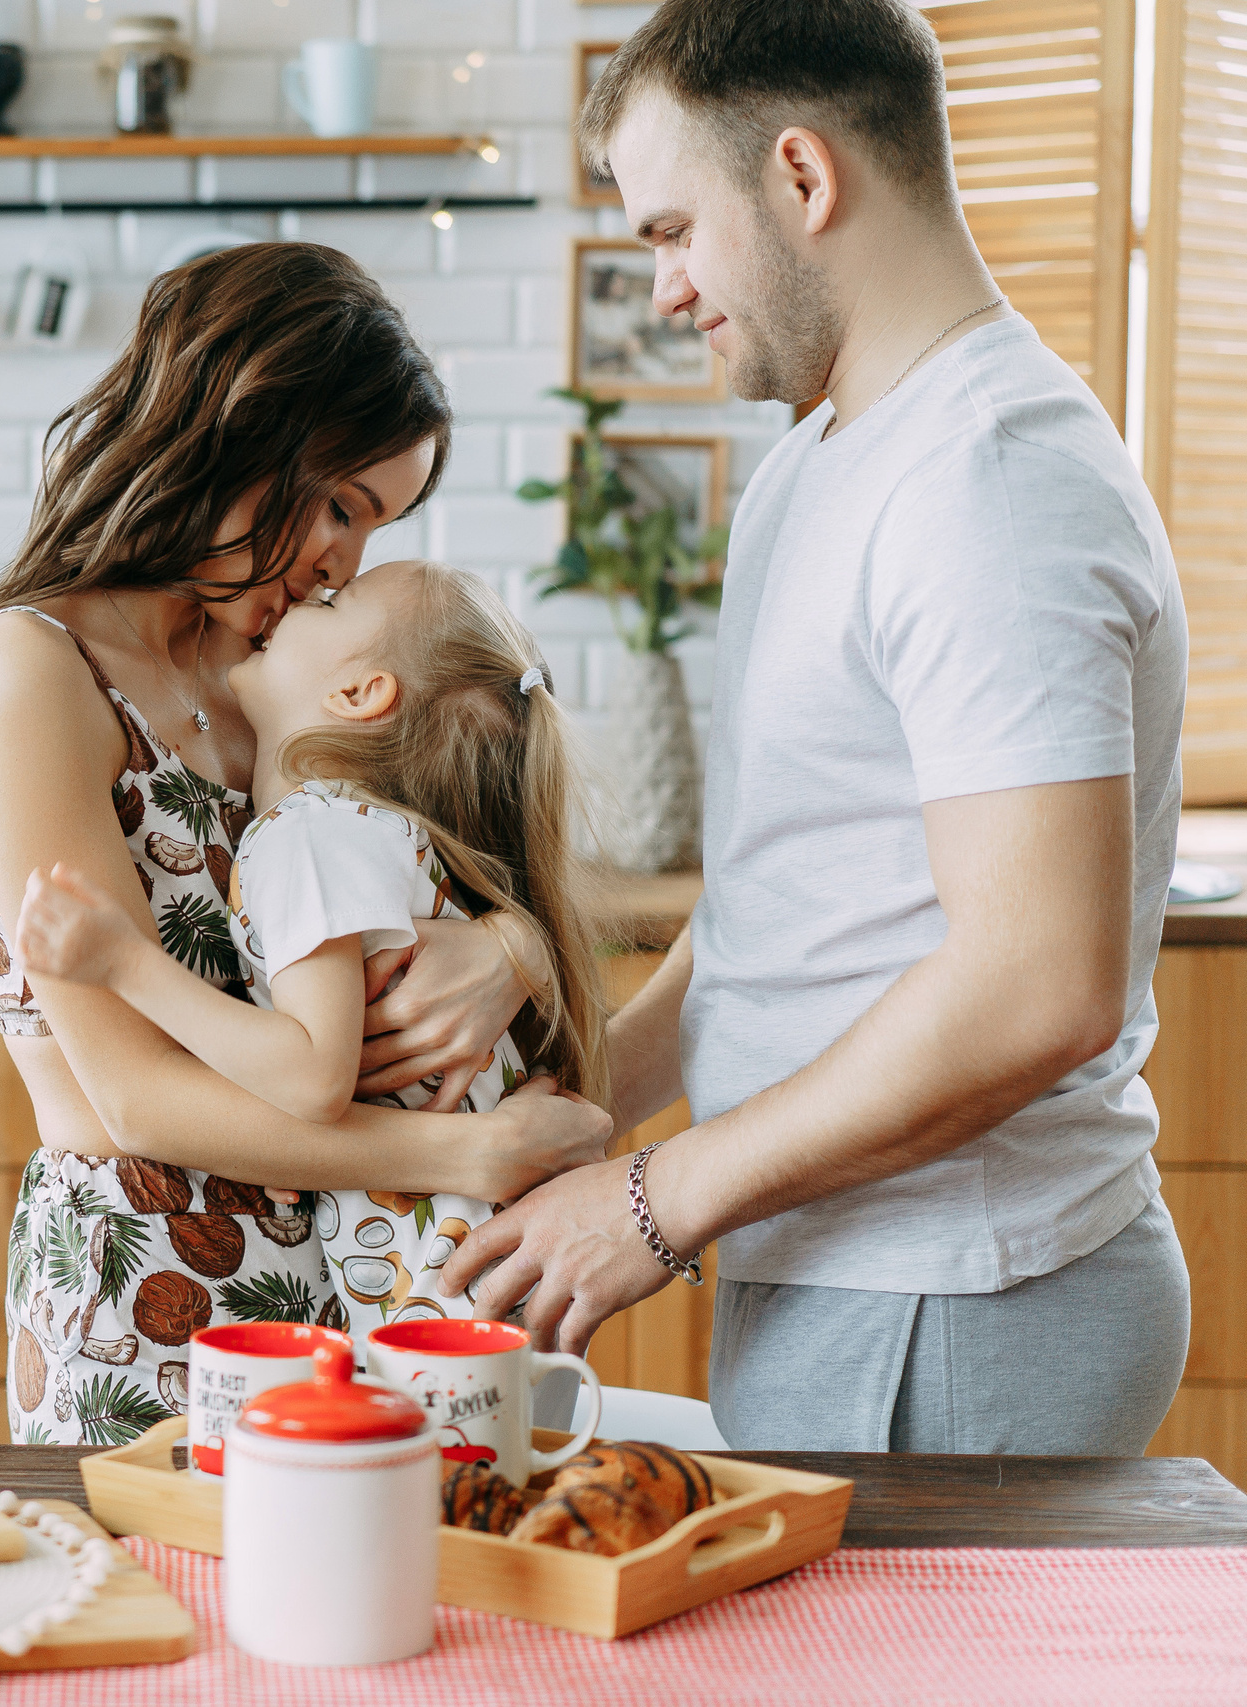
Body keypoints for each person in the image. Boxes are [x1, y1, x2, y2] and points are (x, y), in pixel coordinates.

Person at [439, 0, 1190, 1454]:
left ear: (802, 175)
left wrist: (651, 1202)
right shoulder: (827, 457)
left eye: (672, 230)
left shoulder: (989, 486)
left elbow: (1041, 984)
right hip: (846, 1271)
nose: (662, 288)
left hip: (965, 1299)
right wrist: (582, 1111)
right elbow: (778, 911)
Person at [0, 242, 612, 1445]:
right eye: (340, 505)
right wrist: (474, 1149)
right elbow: (133, 1097)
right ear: (233, 429)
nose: (344, 560)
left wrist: (512, 949)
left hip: (340, 1280)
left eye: (375, 524)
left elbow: (425, 858)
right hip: (144, 1293)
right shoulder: (29, 675)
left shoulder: (259, 681)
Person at [12, 559, 606, 1341]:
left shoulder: (310, 834)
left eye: (332, 602)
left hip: (441, 1289)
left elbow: (311, 1074)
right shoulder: (360, 830)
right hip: (475, 1271)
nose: (307, 591)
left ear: (358, 692)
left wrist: (126, 964)